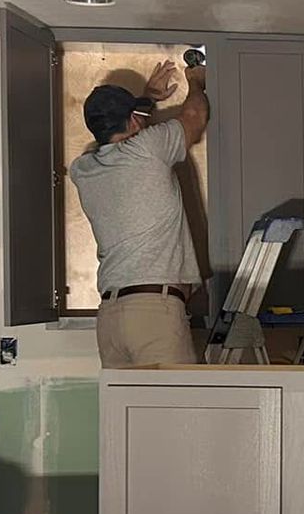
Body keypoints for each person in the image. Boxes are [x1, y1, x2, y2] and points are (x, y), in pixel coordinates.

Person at [70, 51, 210, 368]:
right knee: (175, 411)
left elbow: (129, 134)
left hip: (110, 316)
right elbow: (194, 119)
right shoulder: (147, 149)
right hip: (153, 312)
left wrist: (147, 99)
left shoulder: (83, 169)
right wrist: (196, 82)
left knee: (129, 413)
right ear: (134, 120)